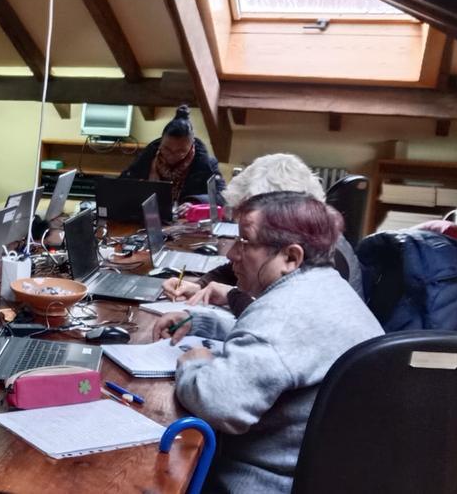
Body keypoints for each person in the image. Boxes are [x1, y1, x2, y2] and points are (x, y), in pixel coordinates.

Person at [152, 191, 383, 493]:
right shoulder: (325, 286)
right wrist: (201, 321)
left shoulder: (283, 315)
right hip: (327, 473)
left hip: (262, 482)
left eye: (245, 242)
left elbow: (219, 404)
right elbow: (280, 343)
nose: (232, 254)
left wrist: (194, 362)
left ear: (291, 257)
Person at [163, 153, 362, 312]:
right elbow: (235, 267)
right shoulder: (311, 235)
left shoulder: (329, 259)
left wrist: (234, 298)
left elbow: (278, 321)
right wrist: (201, 285)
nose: (233, 253)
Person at [121, 104, 224, 204]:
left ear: (192, 146)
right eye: (166, 149)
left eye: (180, 151)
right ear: (161, 141)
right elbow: (121, 185)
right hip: (150, 216)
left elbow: (222, 197)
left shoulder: (206, 164)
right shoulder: (147, 158)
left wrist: (194, 202)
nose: (171, 155)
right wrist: (137, 188)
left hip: (186, 219)